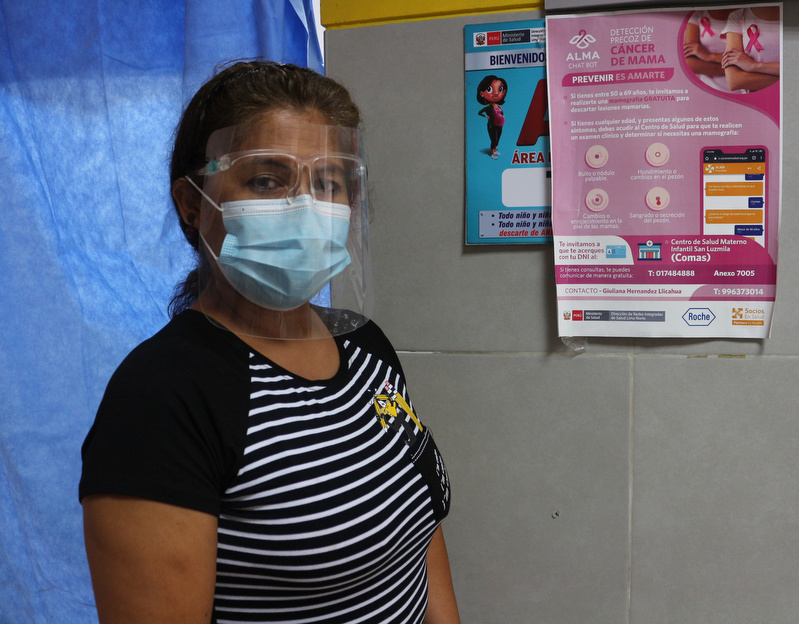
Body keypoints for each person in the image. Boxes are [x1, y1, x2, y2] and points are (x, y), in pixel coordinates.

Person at [80, 60, 460, 624]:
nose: (305, 207)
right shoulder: (164, 397)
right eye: (266, 180)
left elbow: (419, 536)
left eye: (327, 181)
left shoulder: (365, 348)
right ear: (192, 203)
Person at [722, 6, 781, 93]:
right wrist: (784, 78)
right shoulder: (738, 16)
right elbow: (735, 81)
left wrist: (754, 66)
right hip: (753, 101)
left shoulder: (796, 16)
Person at [683, 9, 739, 93]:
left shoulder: (743, 14)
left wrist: (710, 56)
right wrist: (735, 71)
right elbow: (690, 64)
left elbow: (749, 57)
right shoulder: (697, 14)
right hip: (708, 91)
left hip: (741, 91)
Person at [476, 75, 508, 159]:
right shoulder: (488, 106)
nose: (496, 93)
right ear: (482, 93)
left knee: (498, 138)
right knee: (494, 138)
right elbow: (479, 112)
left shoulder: (498, 106)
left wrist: (503, 117)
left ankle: (496, 149)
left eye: (500, 89)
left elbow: (501, 113)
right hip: (492, 125)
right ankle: (492, 153)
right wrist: (486, 116)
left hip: (500, 125)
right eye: (490, 89)